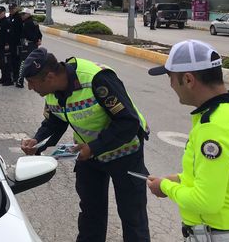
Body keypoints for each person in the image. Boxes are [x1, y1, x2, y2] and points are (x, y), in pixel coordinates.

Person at [20, 48, 151, 242]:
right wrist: (37, 141)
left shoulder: (97, 80)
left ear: (49, 77)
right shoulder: (51, 91)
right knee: (91, 213)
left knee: (133, 215)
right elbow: (54, 121)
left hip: (125, 153)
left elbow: (128, 122)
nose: (30, 88)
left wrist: (94, 147)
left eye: (32, 83)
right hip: (88, 156)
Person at [146, 40, 229, 241]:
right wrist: (181, 179)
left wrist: (165, 187)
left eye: (170, 77)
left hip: (219, 235)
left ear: (188, 79)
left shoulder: (213, 127)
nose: (170, 85)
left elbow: (206, 201)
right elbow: (228, 177)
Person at [15, 8, 42, 88]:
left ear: (28, 14)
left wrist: (35, 40)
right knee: (34, 63)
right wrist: (38, 40)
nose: (22, 16)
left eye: (23, 14)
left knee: (23, 63)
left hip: (27, 45)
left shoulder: (26, 23)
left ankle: (20, 81)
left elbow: (28, 35)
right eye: (21, 14)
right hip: (34, 45)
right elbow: (39, 34)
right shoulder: (35, 22)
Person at [0, 5, 13, 86]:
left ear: (4, 13)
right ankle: (3, 78)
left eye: (0, 13)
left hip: (5, 48)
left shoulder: (7, 22)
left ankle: (9, 80)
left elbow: (9, 35)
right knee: (0, 63)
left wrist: (7, 44)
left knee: (6, 64)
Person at [8, 3, 23, 84]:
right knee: (12, 60)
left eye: (12, 9)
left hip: (16, 43)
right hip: (11, 43)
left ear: (16, 9)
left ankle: (17, 77)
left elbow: (20, 31)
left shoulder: (18, 18)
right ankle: (13, 76)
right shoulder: (10, 17)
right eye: (10, 9)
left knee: (16, 61)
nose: (11, 10)